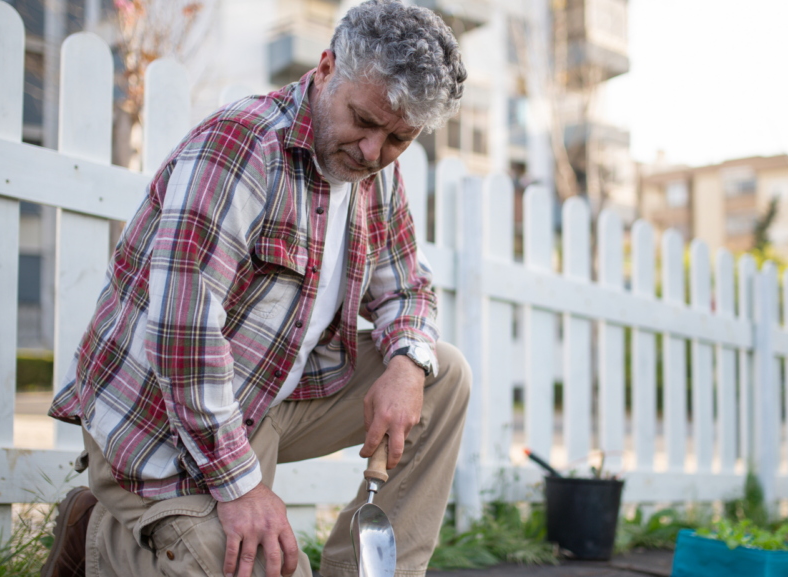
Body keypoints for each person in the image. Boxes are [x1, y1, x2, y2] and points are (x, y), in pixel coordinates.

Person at [41, 1, 469, 575]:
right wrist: (243, 490)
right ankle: (97, 535)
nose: (373, 153)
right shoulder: (239, 149)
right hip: (161, 424)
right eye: (363, 122)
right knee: (264, 566)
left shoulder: (374, 173)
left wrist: (406, 365)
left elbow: (407, 288)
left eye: (398, 137)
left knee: (443, 373)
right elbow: (182, 337)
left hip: (264, 402)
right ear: (324, 69)